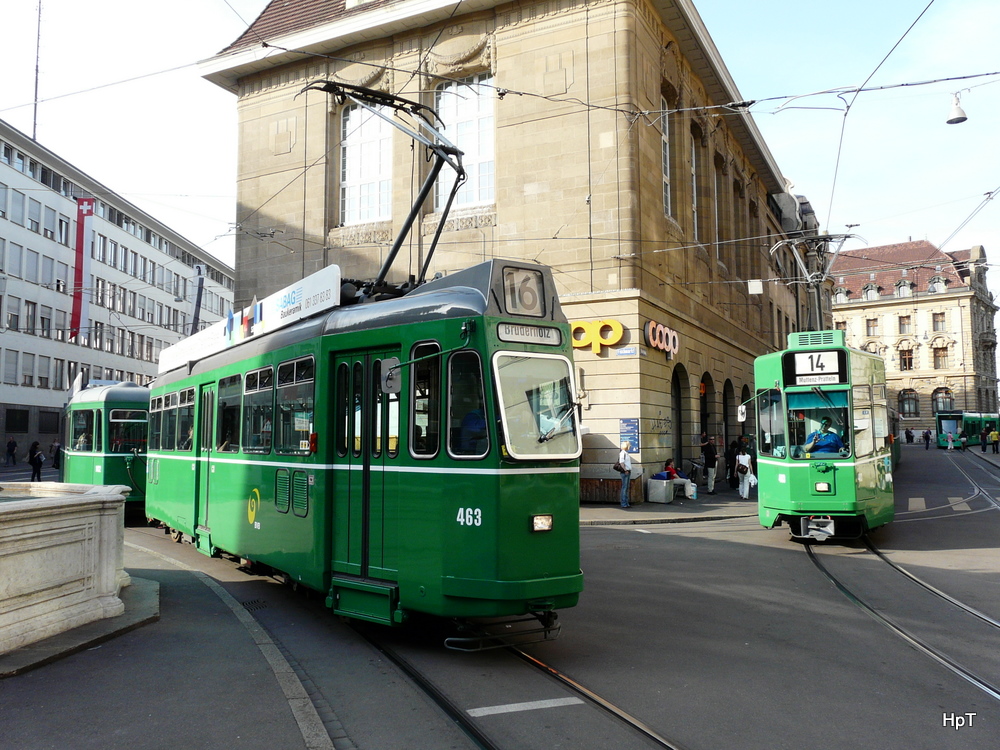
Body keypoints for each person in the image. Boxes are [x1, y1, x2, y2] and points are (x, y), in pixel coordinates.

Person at [617, 442, 632, 508]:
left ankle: (626, 502)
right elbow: (621, 462)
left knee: (626, 487)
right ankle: (624, 503)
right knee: (624, 487)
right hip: (625, 471)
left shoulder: (625, 453)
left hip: (627, 471)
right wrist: (625, 470)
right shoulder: (623, 453)